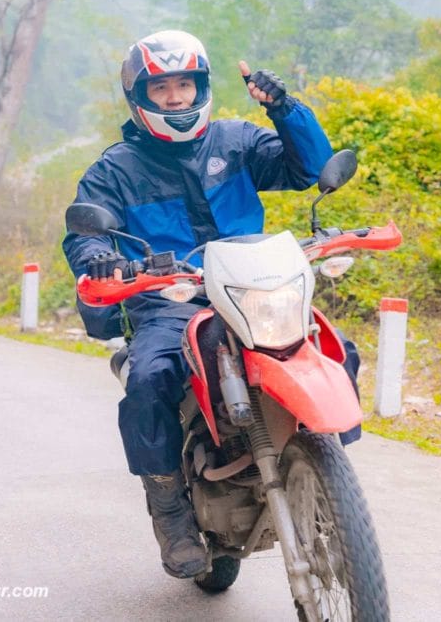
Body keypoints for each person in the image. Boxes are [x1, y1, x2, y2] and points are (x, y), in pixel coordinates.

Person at [62, 30, 361, 579]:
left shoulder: (237, 140)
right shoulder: (116, 168)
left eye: (185, 84)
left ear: (201, 87)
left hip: (253, 287)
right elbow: (84, 231)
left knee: (336, 349)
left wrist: (284, 109)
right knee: (150, 378)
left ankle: (328, 474)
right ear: (140, 97)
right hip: (170, 300)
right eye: (162, 88)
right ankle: (169, 506)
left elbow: (304, 170)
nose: (175, 98)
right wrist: (100, 258)